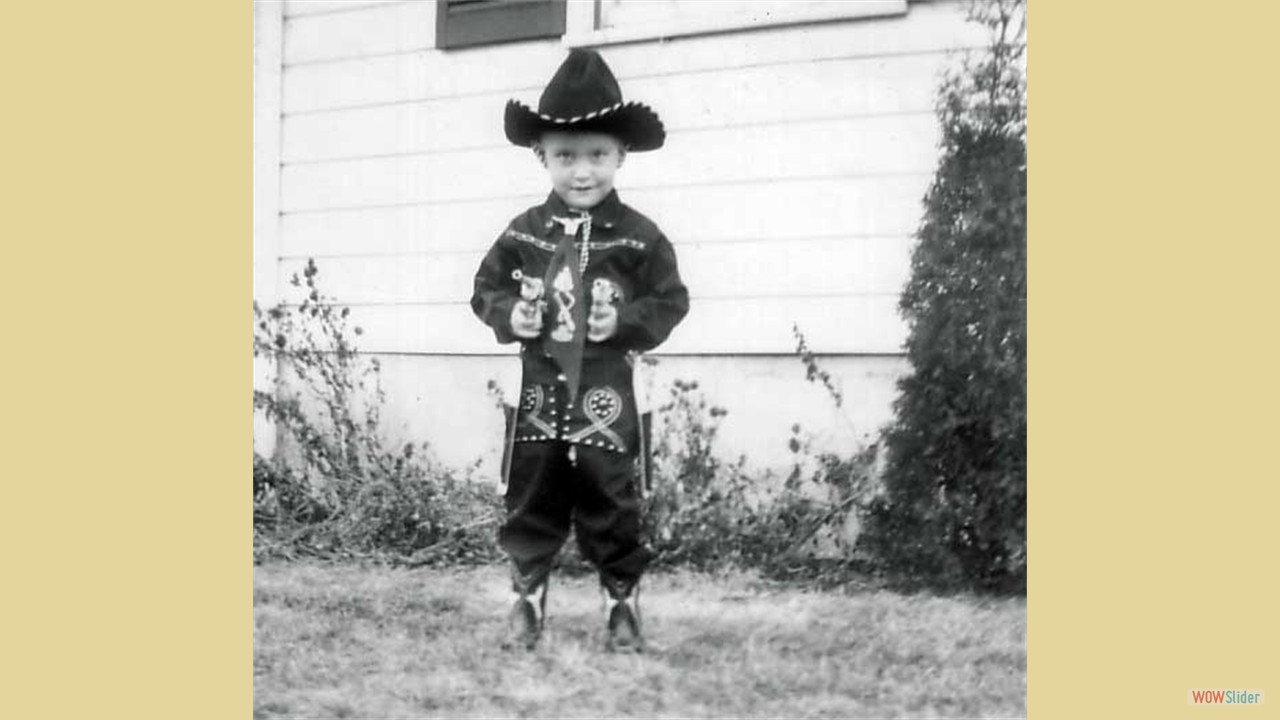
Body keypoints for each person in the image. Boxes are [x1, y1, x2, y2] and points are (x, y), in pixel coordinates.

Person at [471, 48, 689, 652]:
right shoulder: (521, 233)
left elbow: (671, 302)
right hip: (539, 391)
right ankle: (527, 596)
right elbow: (484, 290)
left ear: (622, 155)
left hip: (605, 396)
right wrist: (509, 314)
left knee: (611, 497)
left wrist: (622, 322)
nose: (582, 171)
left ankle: (621, 600)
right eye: (566, 156)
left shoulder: (640, 238)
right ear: (542, 156)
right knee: (531, 493)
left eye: (597, 155)